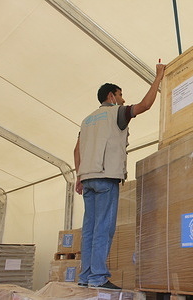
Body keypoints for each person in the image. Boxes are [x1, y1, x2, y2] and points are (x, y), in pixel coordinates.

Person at [73, 63, 165, 290]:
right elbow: (145, 105)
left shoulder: (86, 121)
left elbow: (77, 150)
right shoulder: (116, 113)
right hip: (106, 178)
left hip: (87, 178)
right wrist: (158, 77)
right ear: (111, 96)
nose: (123, 100)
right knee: (104, 228)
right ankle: (98, 278)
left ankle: (85, 277)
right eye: (121, 95)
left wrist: (78, 176)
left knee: (90, 230)